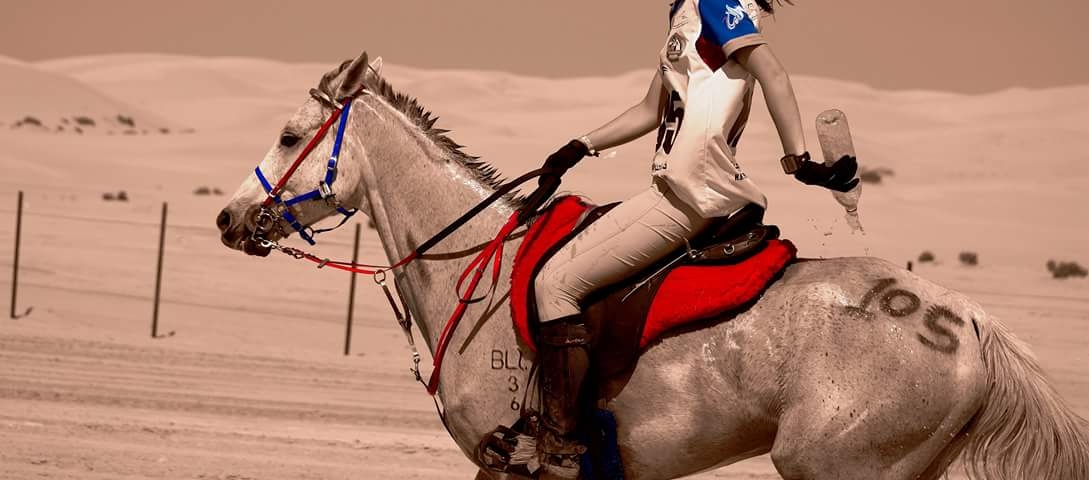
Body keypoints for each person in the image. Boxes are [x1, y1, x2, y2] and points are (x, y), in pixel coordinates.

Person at [518, 0, 858, 477]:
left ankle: (561, 446)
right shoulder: (685, 12)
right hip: (666, 190)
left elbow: (773, 73)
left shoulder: (716, 3)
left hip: (696, 193)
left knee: (555, 286)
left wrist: (797, 160)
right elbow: (650, 110)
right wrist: (580, 147)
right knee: (555, 267)